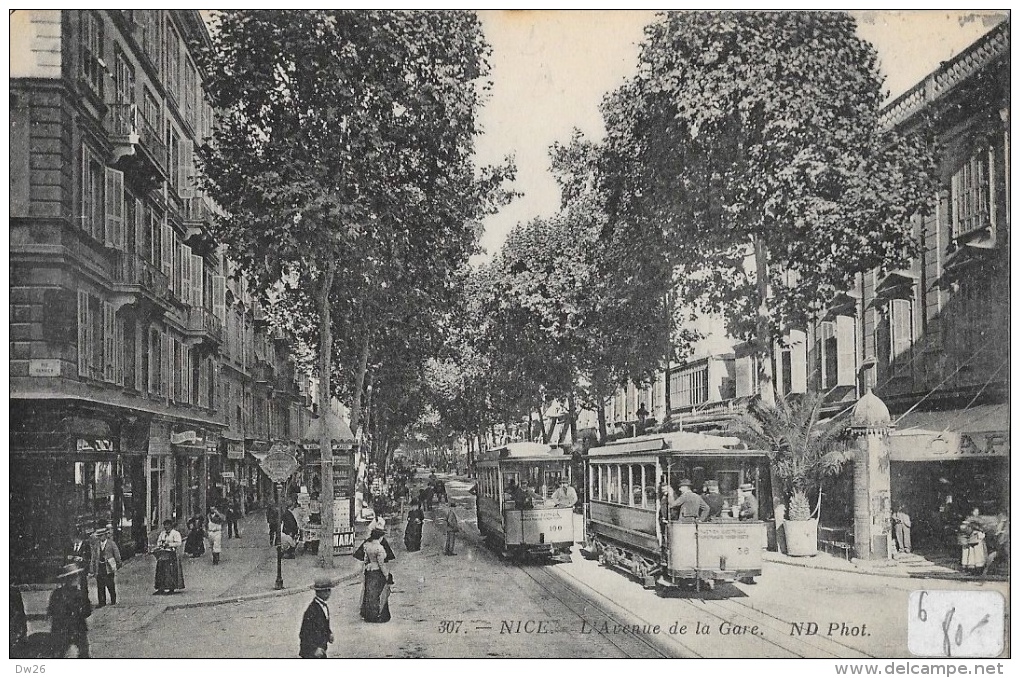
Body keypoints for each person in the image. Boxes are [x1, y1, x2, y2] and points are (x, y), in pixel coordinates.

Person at [48, 563, 91, 658]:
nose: (78, 578)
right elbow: (87, 612)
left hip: (63, 630)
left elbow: (51, 612)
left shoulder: (57, 593)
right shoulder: (79, 594)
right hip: (75, 630)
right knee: (83, 655)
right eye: (76, 576)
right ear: (69, 578)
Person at [360, 528, 392, 623]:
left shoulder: (366, 545)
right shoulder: (379, 548)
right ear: (380, 537)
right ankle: (377, 615)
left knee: (369, 593)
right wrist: (386, 575)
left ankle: (367, 614)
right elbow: (381, 564)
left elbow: (365, 560)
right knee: (377, 594)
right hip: (377, 572)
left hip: (369, 571)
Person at [299, 576, 334, 658]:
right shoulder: (311, 611)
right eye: (325, 591)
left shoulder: (324, 607)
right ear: (318, 592)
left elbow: (324, 624)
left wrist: (329, 633)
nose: (328, 593)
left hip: (321, 649)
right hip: (311, 652)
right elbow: (304, 634)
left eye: (329, 590)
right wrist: (314, 649)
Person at [89, 527, 121, 607]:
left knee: (110, 584)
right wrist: (92, 569)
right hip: (99, 567)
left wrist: (118, 563)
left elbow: (117, 554)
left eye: (101, 535)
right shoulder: (97, 545)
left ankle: (113, 600)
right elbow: (93, 557)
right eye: (98, 536)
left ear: (105, 535)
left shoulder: (111, 543)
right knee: (100, 585)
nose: (100, 538)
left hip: (108, 567)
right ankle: (101, 602)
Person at [153, 519, 185, 595]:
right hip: (163, 553)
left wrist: (170, 544)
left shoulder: (175, 533)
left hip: (171, 554)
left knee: (170, 571)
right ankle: (160, 588)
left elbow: (179, 543)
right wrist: (160, 545)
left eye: (167, 525)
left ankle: (171, 588)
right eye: (165, 525)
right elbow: (159, 542)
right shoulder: (162, 533)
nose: (166, 527)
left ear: (171, 525)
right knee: (160, 570)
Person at [69, 528, 93, 598]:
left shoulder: (86, 546)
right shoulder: (72, 546)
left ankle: (85, 601)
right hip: (73, 569)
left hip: (82, 569)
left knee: (83, 586)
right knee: (73, 585)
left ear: (77, 538)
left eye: (73, 539)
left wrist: (82, 559)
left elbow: (89, 557)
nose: (72, 541)